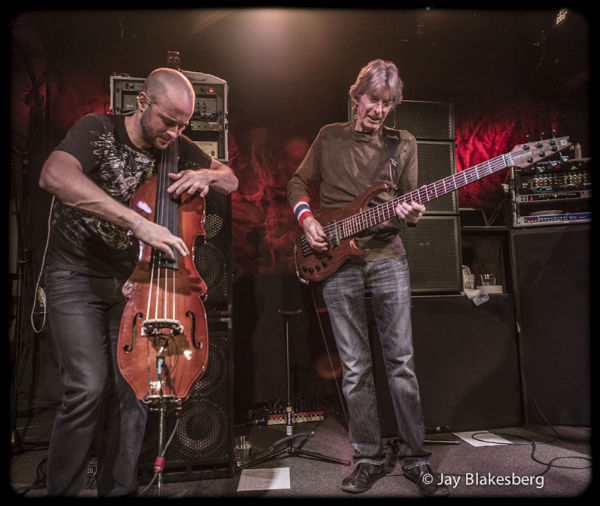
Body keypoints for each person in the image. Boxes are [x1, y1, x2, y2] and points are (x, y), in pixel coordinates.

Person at [38, 67, 238, 496]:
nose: (175, 133)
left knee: (139, 388)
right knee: (87, 388)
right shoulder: (97, 131)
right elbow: (53, 175)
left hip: (134, 284)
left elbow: (231, 178)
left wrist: (207, 175)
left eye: (183, 125)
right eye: (168, 121)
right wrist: (136, 222)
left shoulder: (178, 145)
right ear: (142, 102)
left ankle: (120, 490)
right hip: (75, 276)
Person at [287, 59, 448, 497]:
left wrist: (413, 213)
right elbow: (297, 183)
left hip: (388, 258)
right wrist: (307, 220)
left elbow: (410, 201)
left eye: (387, 103)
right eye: (373, 100)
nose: (379, 110)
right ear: (356, 97)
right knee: (355, 368)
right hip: (336, 262)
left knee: (401, 365)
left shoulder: (403, 143)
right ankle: (368, 458)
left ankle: (416, 458)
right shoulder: (329, 137)